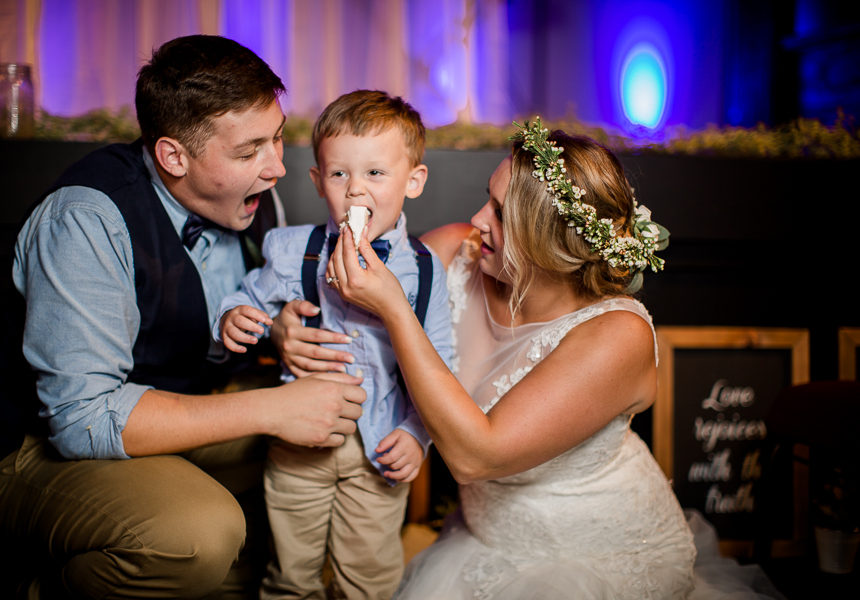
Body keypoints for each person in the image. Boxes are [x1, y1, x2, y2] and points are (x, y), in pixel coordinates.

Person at [0, 35, 365, 599]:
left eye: (278, 138)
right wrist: (274, 407)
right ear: (174, 155)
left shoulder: (252, 195)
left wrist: (276, 326)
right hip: (24, 445)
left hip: (172, 400)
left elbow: (234, 308)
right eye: (249, 151)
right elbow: (82, 419)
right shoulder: (86, 218)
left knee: (343, 431)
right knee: (197, 533)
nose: (277, 167)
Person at [280, 117, 687, 598]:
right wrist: (284, 328)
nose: (477, 219)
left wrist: (395, 308)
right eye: (486, 198)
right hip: (480, 540)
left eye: (499, 212)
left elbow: (476, 457)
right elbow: (341, 307)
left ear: (549, 240)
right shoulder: (455, 252)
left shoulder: (617, 334)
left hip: (599, 561)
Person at [213, 90, 454, 599]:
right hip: (297, 449)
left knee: (367, 580)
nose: (355, 190)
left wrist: (417, 435)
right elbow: (248, 298)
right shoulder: (290, 249)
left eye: (375, 174)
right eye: (340, 174)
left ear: (413, 181)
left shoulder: (425, 270)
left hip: (379, 453)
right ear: (319, 181)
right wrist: (236, 318)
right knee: (289, 575)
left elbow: (441, 366)